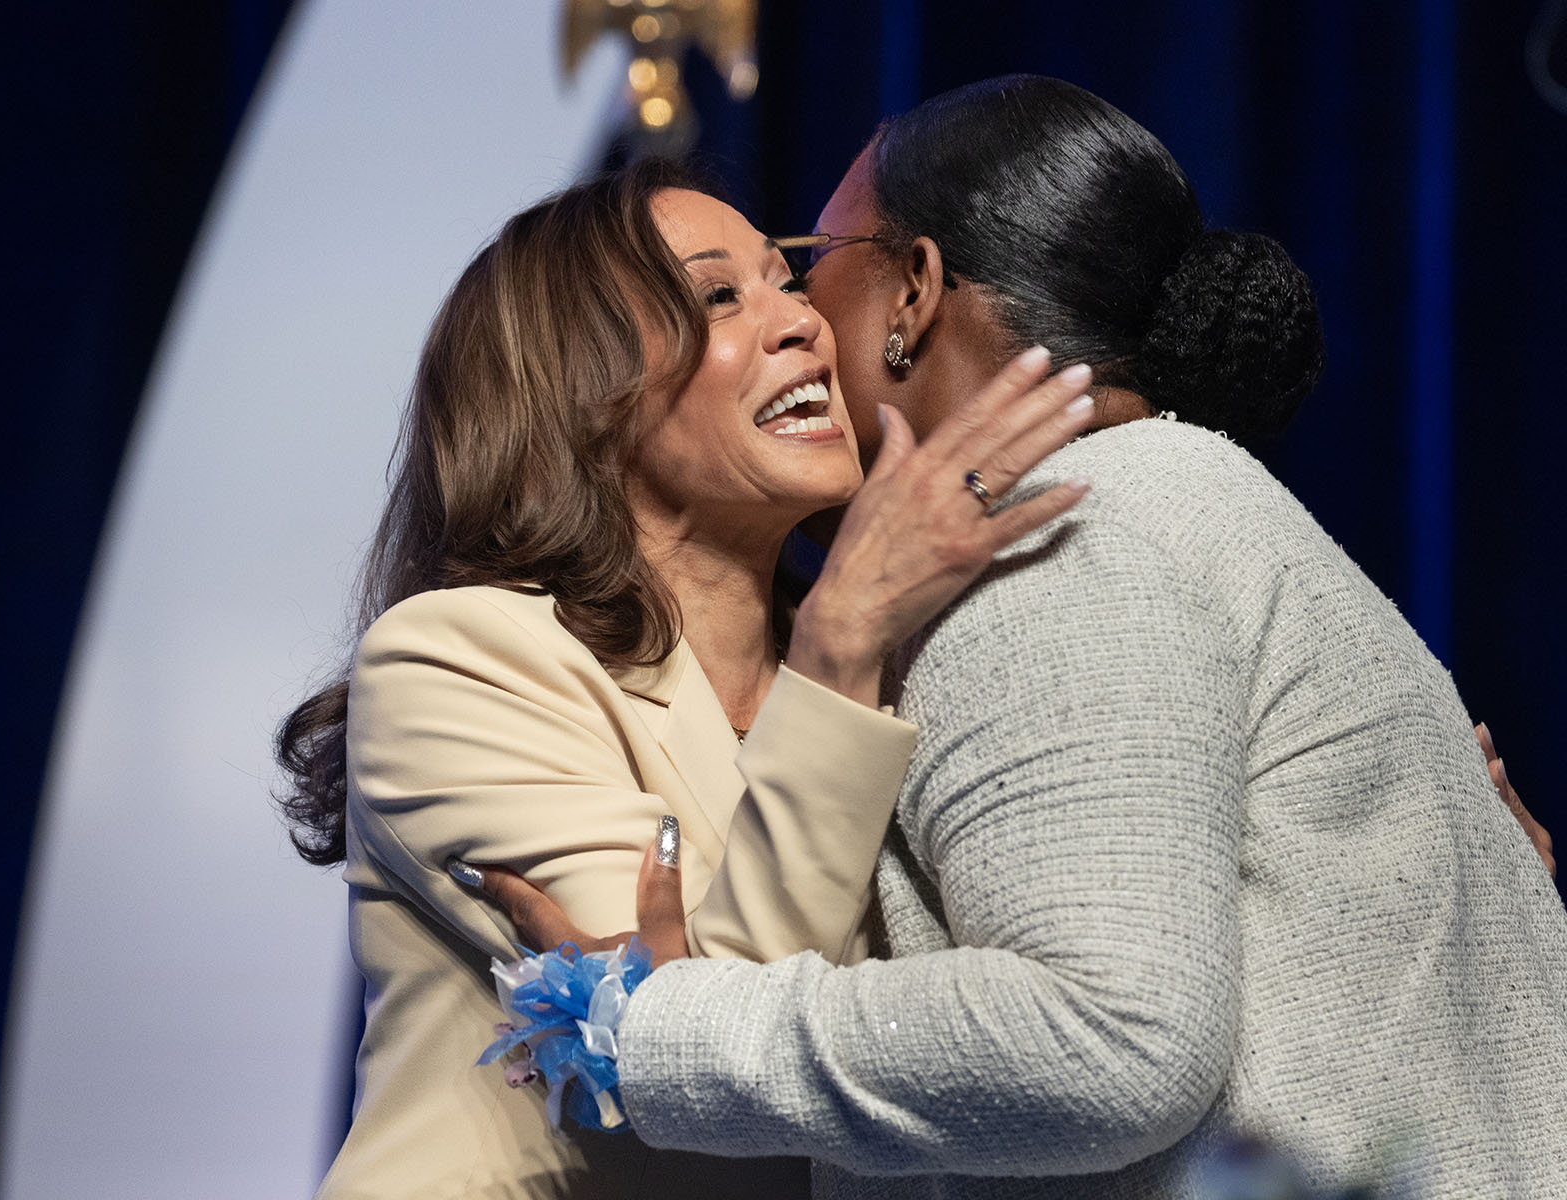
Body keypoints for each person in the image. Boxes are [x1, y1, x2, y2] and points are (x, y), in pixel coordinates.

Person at [476, 77, 1567, 1197]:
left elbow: (1109, 1038)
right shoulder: (1172, 499)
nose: (800, 315)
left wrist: (667, 1029)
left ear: (913, 290)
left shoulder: (1053, 541)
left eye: (815, 263)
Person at [274, 159, 1098, 1199]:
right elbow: (710, 1054)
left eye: (786, 281)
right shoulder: (455, 659)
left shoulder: (901, 667)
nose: (799, 323)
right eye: (718, 297)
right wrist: (839, 639)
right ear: (583, 393)